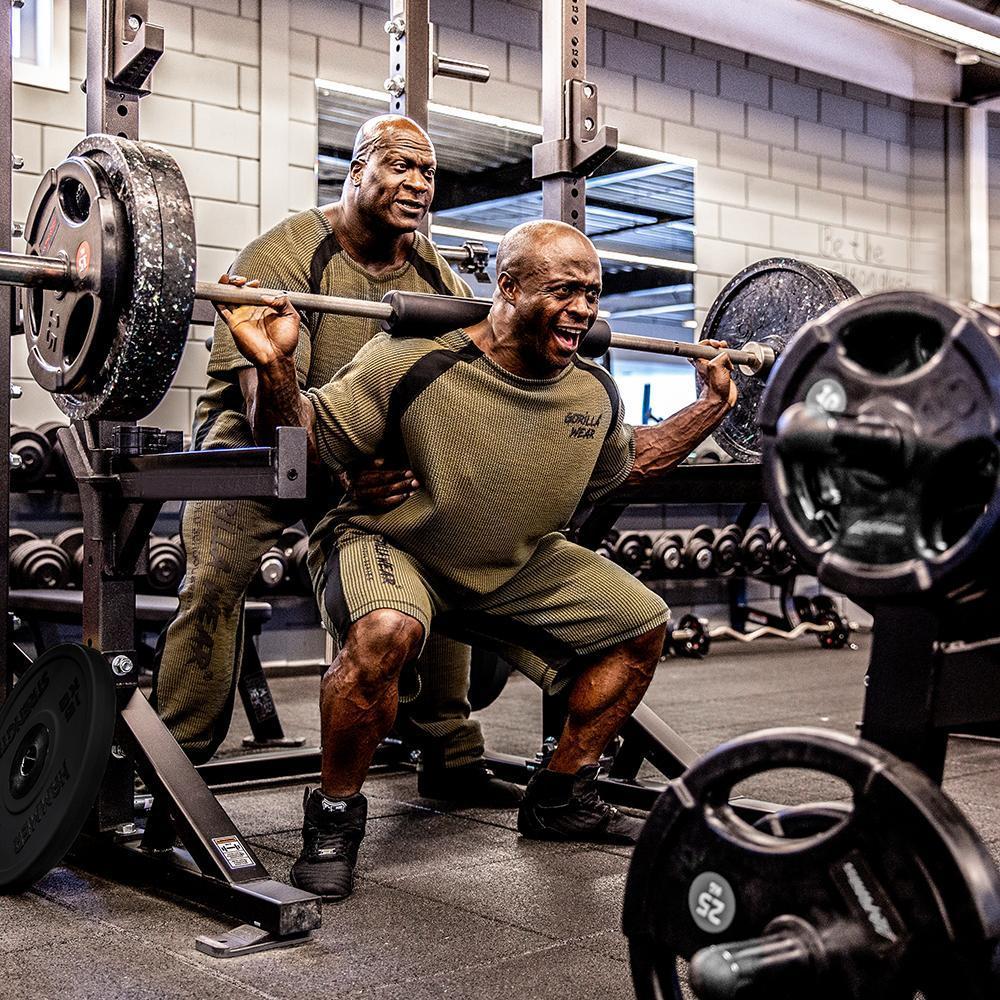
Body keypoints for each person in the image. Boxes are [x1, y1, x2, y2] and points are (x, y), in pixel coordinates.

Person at [216, 218, 737, 900]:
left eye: (593, 293)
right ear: (508, 285)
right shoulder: (408, 359)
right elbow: (307, 451)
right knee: (384, 634)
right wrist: (276, 365)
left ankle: (559, 794)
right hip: (390, 542)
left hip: (509, 562)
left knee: (640, 623)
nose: (583, 308)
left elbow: (632, 462)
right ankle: (335, 819)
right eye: (564, 290)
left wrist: (712, 407)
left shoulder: (591, 392)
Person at [151, 114, 517, 815]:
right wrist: (346, 479)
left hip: (361, 444)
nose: (417, 183)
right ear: (355, 172)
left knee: (442, 548)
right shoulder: (288, 254)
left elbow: (448, 394)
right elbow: (270, 405)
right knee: (216, 570)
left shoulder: (431, 272)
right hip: (257, 438)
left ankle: (449, 752)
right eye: (399, 165)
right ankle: (179, 761)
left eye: (428, 172)